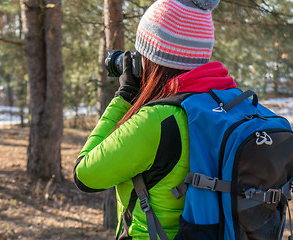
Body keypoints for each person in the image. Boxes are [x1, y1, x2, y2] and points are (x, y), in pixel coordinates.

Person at [74, 0, 237, 239]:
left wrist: (125, 96)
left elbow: (84, 175)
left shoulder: (157, 119)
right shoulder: (226, 106)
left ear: (153, 59)